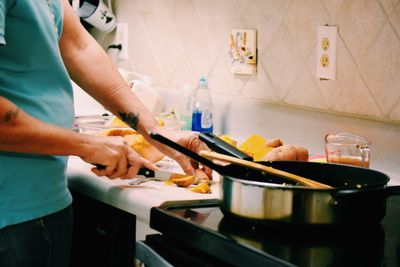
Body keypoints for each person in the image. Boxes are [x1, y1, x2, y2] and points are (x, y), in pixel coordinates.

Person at [0, 1, 211, 266]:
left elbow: (80, 48)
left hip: (45, 202)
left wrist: (156, 133)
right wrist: (86, 145)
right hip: (10, 214)